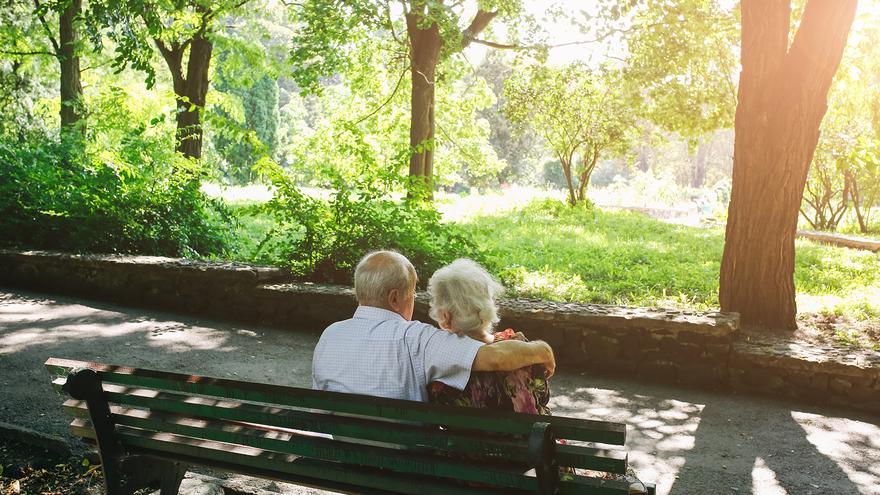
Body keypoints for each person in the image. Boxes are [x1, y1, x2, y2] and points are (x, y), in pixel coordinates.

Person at [311, 250, 555, 402]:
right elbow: (495, 358)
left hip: (344, 462)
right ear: (395, 298)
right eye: (413, 292)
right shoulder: (417, 340)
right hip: (408, 471)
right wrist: (542, 349)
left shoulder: (330, 335)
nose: (414, 298)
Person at [425, 259, 550, 414]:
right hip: (531, 438)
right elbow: (543, 396)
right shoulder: (520, 346)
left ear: (445, 316)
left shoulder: (441, 367)